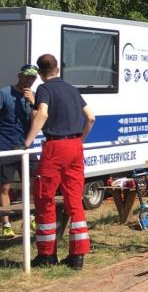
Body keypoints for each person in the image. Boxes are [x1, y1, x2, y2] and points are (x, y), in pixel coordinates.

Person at [22, 54, 95, 269]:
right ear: (58, 69)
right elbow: (91, 117)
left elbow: (43, 114)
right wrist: (80, 140)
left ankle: (47, 255)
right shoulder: (72, 89)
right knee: (74, 200)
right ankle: (77, 256)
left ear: (40, 73)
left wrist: (27, 142)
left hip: (55, 147)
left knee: (44, 197)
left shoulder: (44, 89)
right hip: (75, 147)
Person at [0, 64, 38, 238]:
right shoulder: (5, 93)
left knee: (33, 183)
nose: (29, 80)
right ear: (19, 76)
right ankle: (6, 224)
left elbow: (39, 121)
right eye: (26, 76)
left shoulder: (33, 96)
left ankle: (29, 217)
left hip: (26, 147)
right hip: (6, 145)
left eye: (32, 78)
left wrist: (33, 103)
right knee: (4, 187)